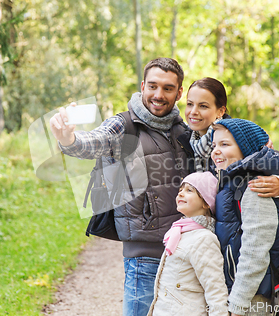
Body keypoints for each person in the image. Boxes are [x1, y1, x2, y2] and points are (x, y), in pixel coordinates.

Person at [49, 58, 191, 316]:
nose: (159, 95)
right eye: (153, 86)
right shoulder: (122, 125)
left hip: (186, 254)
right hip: (144, 255)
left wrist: (261, 149)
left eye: (168, 88)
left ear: (179, 92)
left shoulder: (185, 131)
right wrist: (68, 138)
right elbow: (91, 143)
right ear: (142, 86)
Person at [211, 118, 279, 316]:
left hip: (252, 298)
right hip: (241, 291)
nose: (215, 150)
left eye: (225, 144)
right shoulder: (230, 182)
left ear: (245, 148)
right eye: (214, 145)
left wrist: (238, 304)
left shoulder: (254, 188)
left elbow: (255, 251)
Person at [178, 77, 279, 201]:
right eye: (190, 104)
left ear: (220, 111)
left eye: (203, 106)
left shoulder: (242, 139)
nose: (193, 111)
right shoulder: (185, 141)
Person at [147, 172, 229, 316]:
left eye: (189, 190)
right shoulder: (179, 231)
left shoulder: (204, 238)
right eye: (180, 190)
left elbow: (215, 289)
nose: (181, 194)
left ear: (205, 202)